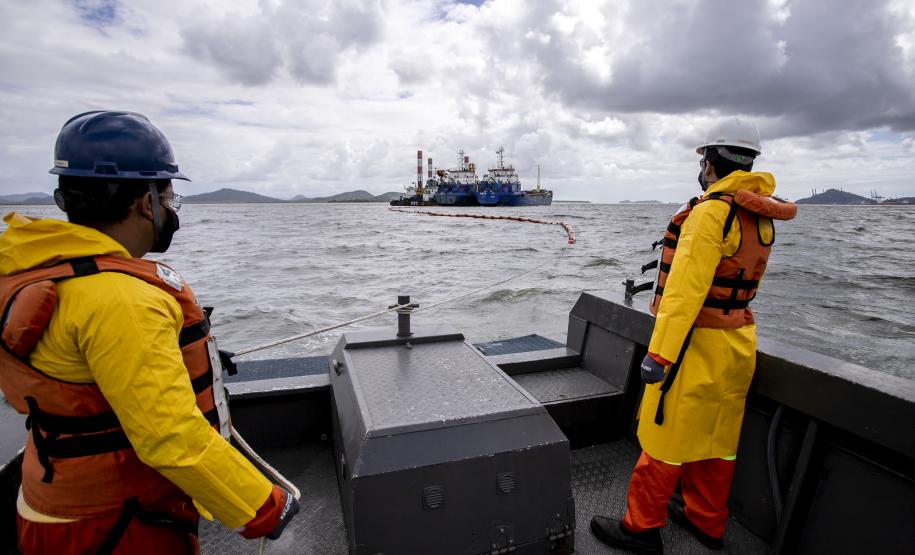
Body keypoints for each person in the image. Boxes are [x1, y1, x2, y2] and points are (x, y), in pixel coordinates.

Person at [0, 111, 298, 553]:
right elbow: (170, 436)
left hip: (53, 502)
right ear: (146, 203)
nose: (170, 211)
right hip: (113, 524)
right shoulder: (122, 300)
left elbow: (83, 378)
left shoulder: (44, 271)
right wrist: (266, 507)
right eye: (169, 198)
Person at [591, 118, 796, 553]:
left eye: (704, 157)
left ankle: (640, 529)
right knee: (718, 440)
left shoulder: (709, 214)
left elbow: (683, 296)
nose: (702, 165)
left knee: (665, 437)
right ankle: (708, 522)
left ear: (713, 160)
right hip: (738, 342)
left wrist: (659, 356)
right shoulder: (758, 213)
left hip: (694, 344)